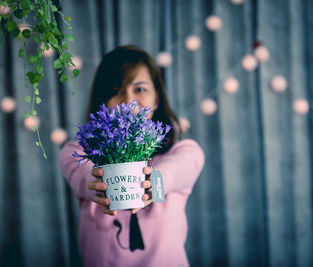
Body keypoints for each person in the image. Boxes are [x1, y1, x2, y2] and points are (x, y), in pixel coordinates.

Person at [59, 45, 205, 267]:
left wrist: (154, 181)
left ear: (156, 99)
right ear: (102, 102)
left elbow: (179, 168)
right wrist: (98, 180)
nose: (128, 100)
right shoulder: (77, 152)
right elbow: (81, 174)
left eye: (140, 89)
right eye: (116, 90)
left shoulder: (184, 151)